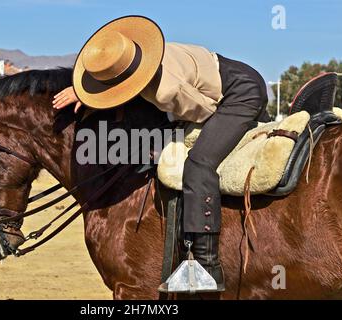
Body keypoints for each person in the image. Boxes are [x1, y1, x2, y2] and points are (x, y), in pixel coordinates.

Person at [52, 16, 271, 292]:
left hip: (238, 94)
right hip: (220, 76)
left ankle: (206, 267)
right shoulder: (138, 54)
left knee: (198, 164)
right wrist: (84, 92)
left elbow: (205, 113)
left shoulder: (165, 89)